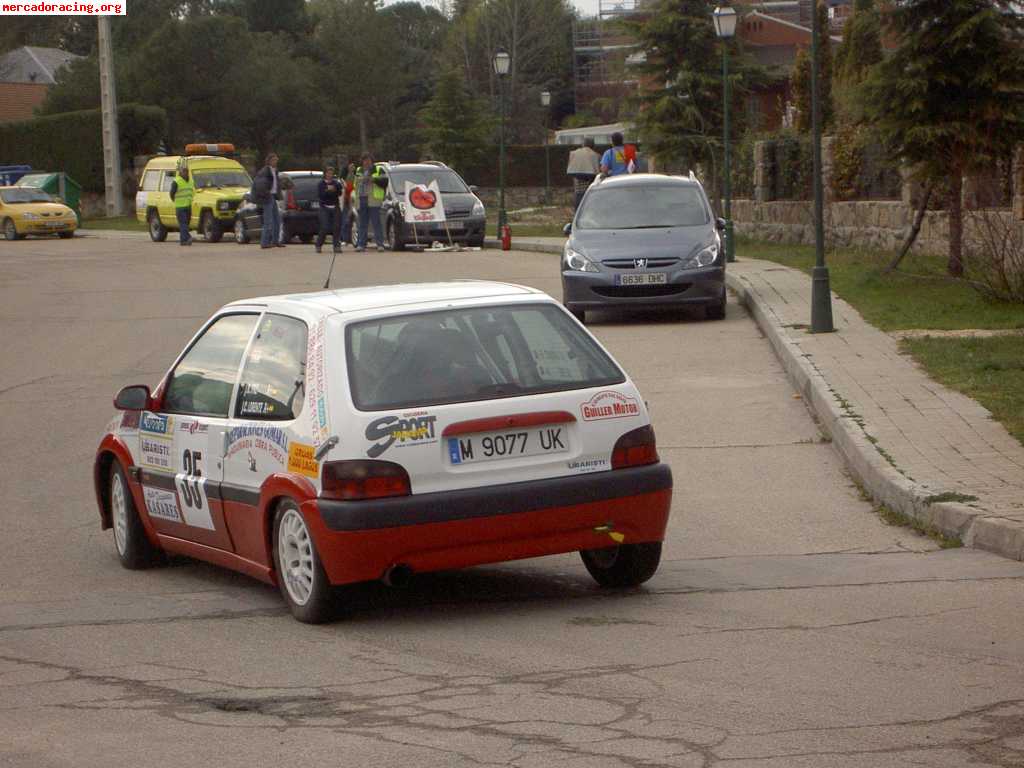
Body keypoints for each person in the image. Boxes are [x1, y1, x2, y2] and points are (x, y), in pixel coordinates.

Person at [354, 153, 387, 252]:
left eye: (368, 160)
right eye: (365, 160)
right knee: (362, 223)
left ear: (372, 161)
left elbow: (385, 182)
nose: (366, 162)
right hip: (361, 199)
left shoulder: (378, 170)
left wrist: (374, 180)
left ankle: (380, 244)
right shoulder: (359, 170)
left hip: (374, 200)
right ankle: (361, 244)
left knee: (376, 223)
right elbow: (354, 183)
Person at [252, 152, 285, 249]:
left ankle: (275, 241)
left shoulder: (275, 171)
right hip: (267, 197)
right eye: (274, 160)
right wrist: (266, 193)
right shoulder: (264, 171)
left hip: (273, 196)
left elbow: (276, 184)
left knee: (277, 220)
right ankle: (264, 242)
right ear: (269, 161)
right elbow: (260, 185)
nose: (276, 162)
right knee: (268, 221)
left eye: (276, 160)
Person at [315, 166, 345, 254]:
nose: (330, 175)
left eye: (331, 173)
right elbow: (321, 196)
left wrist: (336, 189)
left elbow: (339, 193)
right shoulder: (321, 184)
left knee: (336, 226)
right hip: (324, 207)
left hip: (335, 206)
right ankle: (318, 244)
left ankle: (336, 246)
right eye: (328, 173)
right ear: (325, 174)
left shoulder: (336, 183)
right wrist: (327, 191)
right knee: (325, 227)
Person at [566, 138, 601, 210]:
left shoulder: (574, 153)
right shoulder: (596, 155)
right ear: (593, 146)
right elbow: (599, 172)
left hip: (578, 188)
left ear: (583, 144)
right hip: (590, 189)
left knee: (578, 206)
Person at [168, 164, 194, 246]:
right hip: (180, 207)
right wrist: (175, 201)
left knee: (186, 223)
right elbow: (172, 193)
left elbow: (191, 192)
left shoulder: (191, 181)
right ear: (180, 172)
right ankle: (184, 240)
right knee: (183, 223)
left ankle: (186, 237)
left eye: (186, 171)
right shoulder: (176, 181)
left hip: (188, 206)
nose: (185, 173)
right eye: (184, 171)